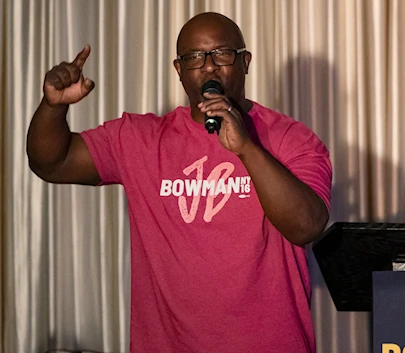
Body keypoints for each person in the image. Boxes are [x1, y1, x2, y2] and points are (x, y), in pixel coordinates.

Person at [27, 12, 332, 353]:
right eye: (194, 58)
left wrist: (247, 148)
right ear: (179, 69)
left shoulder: (292, 139)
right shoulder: (139, 139)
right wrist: (52, 108)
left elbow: (307, 226)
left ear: (245, 62)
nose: (210, 67)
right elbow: (52, 162)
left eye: (222, 54)